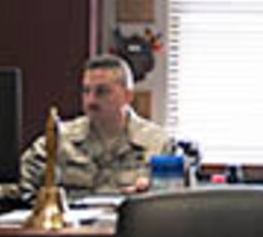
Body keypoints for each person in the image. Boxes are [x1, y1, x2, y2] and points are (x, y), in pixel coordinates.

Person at [18, 54, 172, 198]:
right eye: (86, 91)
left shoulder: (158, 144)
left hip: (133, 224)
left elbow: (175, 201)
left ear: (128, 96)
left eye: (102, 92)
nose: (91, 101)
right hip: (74, 225)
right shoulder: (59, 139)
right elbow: (20, 187)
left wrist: (150, 192)